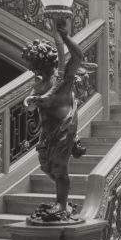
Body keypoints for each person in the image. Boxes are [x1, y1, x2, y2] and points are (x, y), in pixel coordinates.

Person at [22, 16, 87, 222]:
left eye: (35, 63)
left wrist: (65, 38)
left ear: (44, 62)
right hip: (46, 133)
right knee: (47, 167)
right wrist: (30, 102)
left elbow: (78, 57)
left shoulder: (63, 79)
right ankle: (62, 200)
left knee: (59, 168)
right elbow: (31, 102)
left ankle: (61, 202)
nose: (34, 68)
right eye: (33, 65)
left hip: (62, 130)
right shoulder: (40, 84)